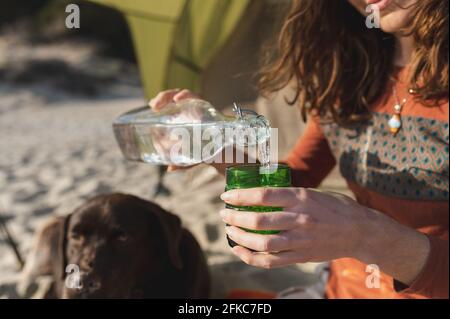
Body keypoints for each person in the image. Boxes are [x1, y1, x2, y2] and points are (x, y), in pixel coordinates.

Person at [149, 0, 448, 299]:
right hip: (339, 288)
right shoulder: (353, 73)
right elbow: (294, 184)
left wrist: (365, 234)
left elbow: (362, 233)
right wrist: (213, 145)